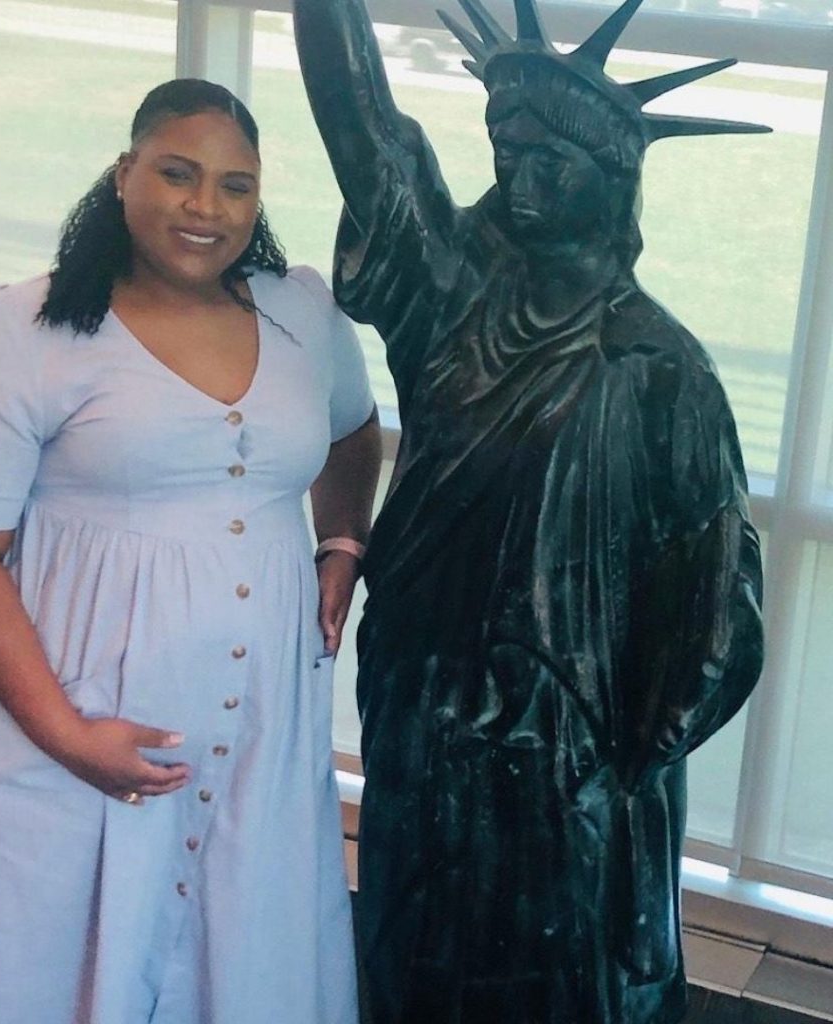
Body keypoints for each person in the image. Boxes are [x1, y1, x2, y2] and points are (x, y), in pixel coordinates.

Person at [292, 1, 765, 1022]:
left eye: (554, 156)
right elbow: (360, 119)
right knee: (415, 945)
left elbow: (717, 590)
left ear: (612, 177)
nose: (524, 174)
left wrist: (623, 743)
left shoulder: (659, 365)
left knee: (561, 968)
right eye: (509, 147)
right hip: (427, 703)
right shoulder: (446, 287)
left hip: (568, 741)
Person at [0, 78, 381, 1024]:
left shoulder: (302, 316)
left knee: (235, 947)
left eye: (236, 185)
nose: (205, 207)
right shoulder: (23, 332)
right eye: (177, 174)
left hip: (257, 730)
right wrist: (65, 733)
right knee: (50, 952)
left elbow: (353, 432)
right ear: (123, 175)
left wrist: (341, 541)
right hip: (75, 707)